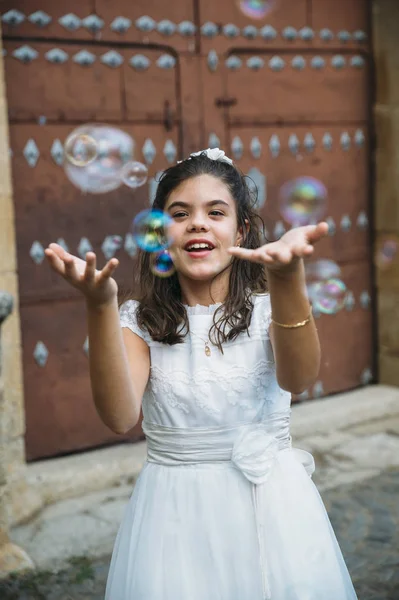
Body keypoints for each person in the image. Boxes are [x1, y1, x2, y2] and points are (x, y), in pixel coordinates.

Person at [45, 148, 358, 600]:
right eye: (179, 213)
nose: (198, 223)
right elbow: (118, 416)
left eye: (216, 212)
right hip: (174, 521)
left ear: (242, 229)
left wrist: (289, 280)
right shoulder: (139, 322)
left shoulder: (270, 310)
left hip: (272, 512)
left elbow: (299, 377)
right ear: (159, 233)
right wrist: (100, 307)